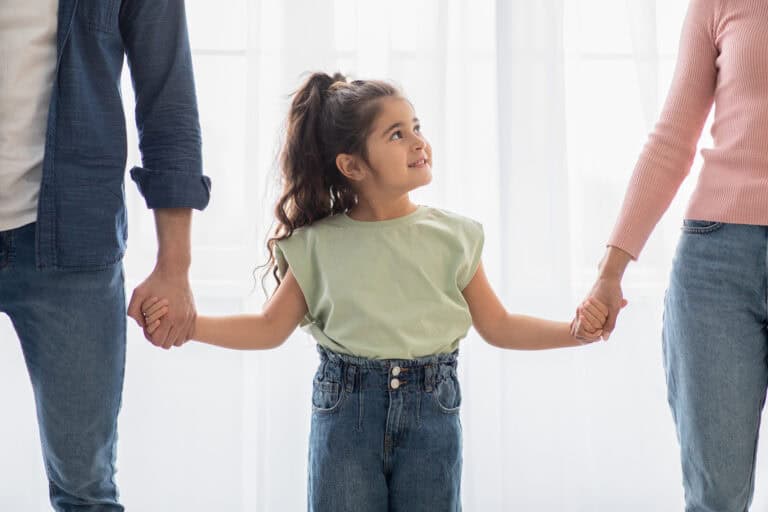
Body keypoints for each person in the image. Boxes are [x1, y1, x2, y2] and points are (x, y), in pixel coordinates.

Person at [142, 72, 605, 510]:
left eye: (416, 126)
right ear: (352, 165)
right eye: (397, 133)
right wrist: (189, 326)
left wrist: (574, 331)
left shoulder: (454, 237)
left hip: (432, 413)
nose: (419, 140)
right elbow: (268, 328)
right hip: (346, 413)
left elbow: (499, 325)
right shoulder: (317, 245)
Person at [0, 1, 210, 509]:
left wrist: (174, 268)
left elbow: (168, 99)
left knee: (85, 489)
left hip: (72, 240)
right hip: (74, 236)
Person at [574, 0, 768, 509]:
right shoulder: (721, 4)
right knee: (716, 495)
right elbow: (672, 137)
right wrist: (610, 271)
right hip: (715, 268)